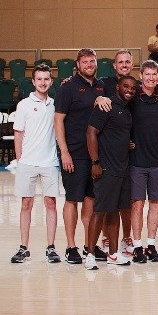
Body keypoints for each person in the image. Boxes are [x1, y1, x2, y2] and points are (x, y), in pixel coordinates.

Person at [55, 48, 105, 264]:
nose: (89, 64)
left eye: (92, 61)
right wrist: (64, 152)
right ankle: (70, 246)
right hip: (74, 154)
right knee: (72, 200)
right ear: (78, 65)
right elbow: (58, 122)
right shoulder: (68, 88)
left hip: (96, 155)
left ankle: (89, 246)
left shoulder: (102, 85)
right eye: (85, 62)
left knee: (91, 200)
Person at [84, 75, 138, 269]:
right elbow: (91, 132)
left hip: (123, 169)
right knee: (99, 211)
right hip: (106, 168)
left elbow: (117, 134)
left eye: (133, 88)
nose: (129, 90)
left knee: (114, 211)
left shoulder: (126, 109)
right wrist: (95, 162)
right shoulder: (105, 106)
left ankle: (113, 254)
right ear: (117, 87)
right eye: (126, 86)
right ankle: (89, 254)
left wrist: (127, 144)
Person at [11, 64, 61, 264]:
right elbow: (18, 133)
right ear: (33, 82)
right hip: (28, 163)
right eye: (39, 79)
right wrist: (20, 159)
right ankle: (24, 247)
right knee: (26, 204)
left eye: (46, 79)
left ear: (51, 81)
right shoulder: (23, 105)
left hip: (49, 162)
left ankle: (51, 247)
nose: (42, 82)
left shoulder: (55, 105)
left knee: (51, 204)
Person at [128, 60, 158, 263]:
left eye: (154, 74)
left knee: (155, 203)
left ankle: (151, 244)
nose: (151, 78)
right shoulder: (132, 96)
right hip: (137, 160)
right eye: (147, 74)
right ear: (141, 76)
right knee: (137, 204)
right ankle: (137, 246)